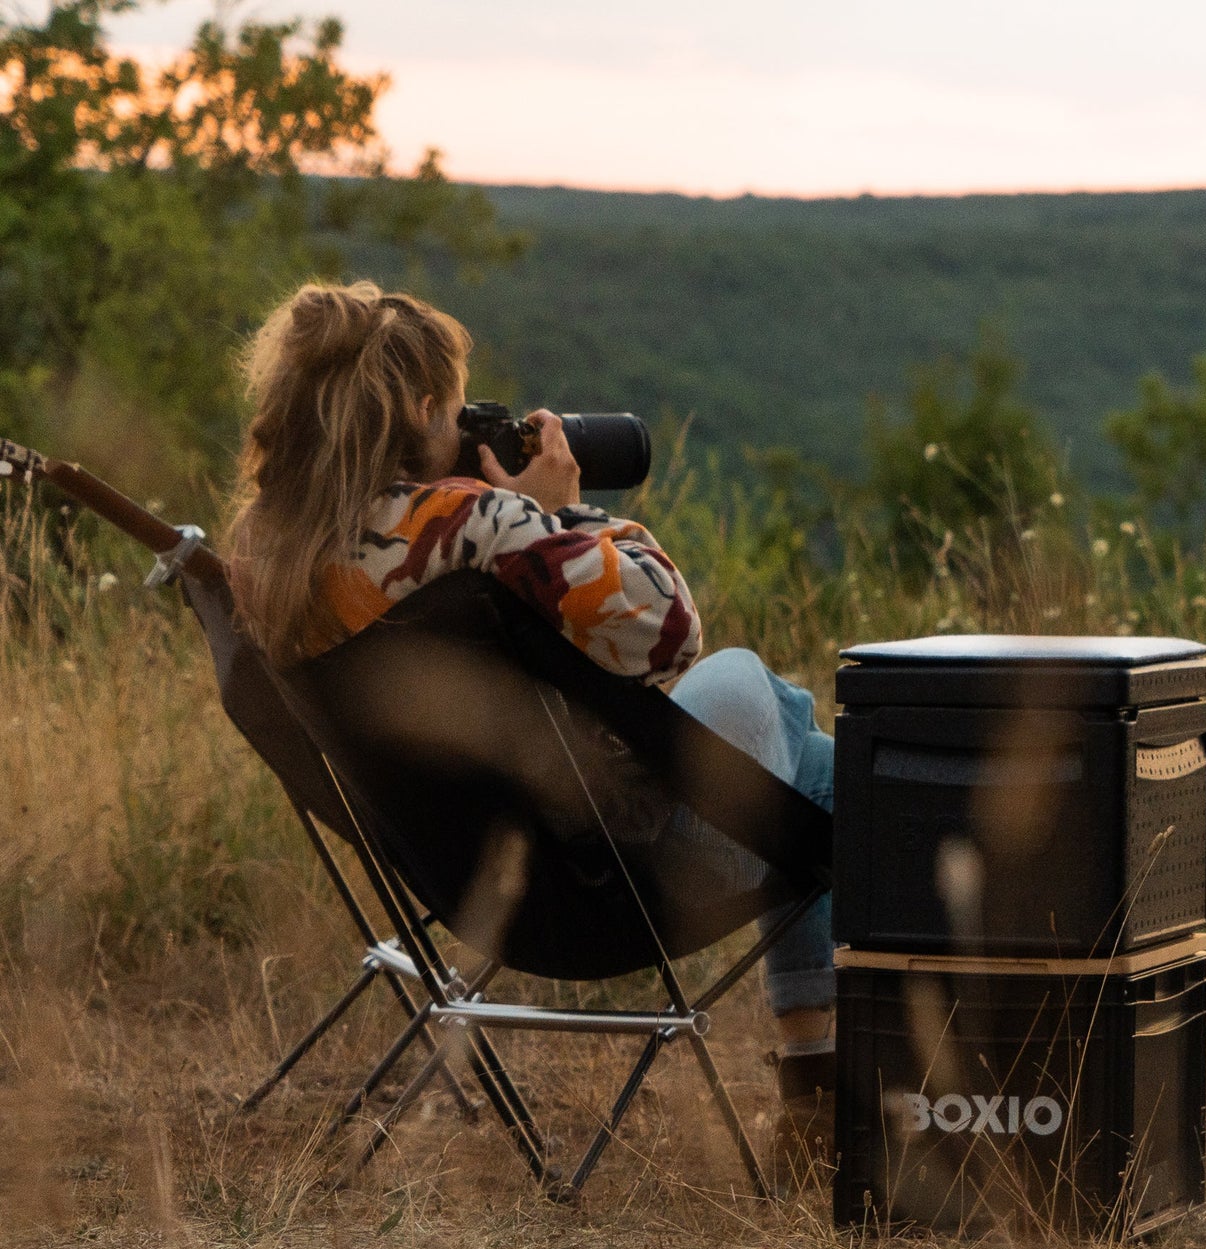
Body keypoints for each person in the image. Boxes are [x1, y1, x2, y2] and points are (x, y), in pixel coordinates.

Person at [227, 280, 835, 1177]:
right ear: (428, 406)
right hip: (616, 880)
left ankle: (822, 1079)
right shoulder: (473, 521)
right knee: (768, 705)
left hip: (468, 882)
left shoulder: (260, 553)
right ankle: (829, 1089)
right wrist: (557, 509)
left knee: (813, 763)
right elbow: (669, 630)